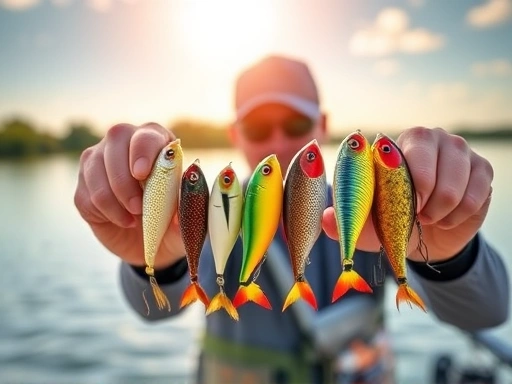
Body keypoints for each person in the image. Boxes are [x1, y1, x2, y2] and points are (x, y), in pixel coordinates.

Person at [74, 54, 510, 384]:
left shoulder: (365, 209)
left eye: (296, 121)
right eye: (259, 127)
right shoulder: (208, 212)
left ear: (321, 125)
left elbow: (487, 310)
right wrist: (152, 259)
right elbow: (152, 310)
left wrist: (450, 253)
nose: (278, 141)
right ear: (235, 136)